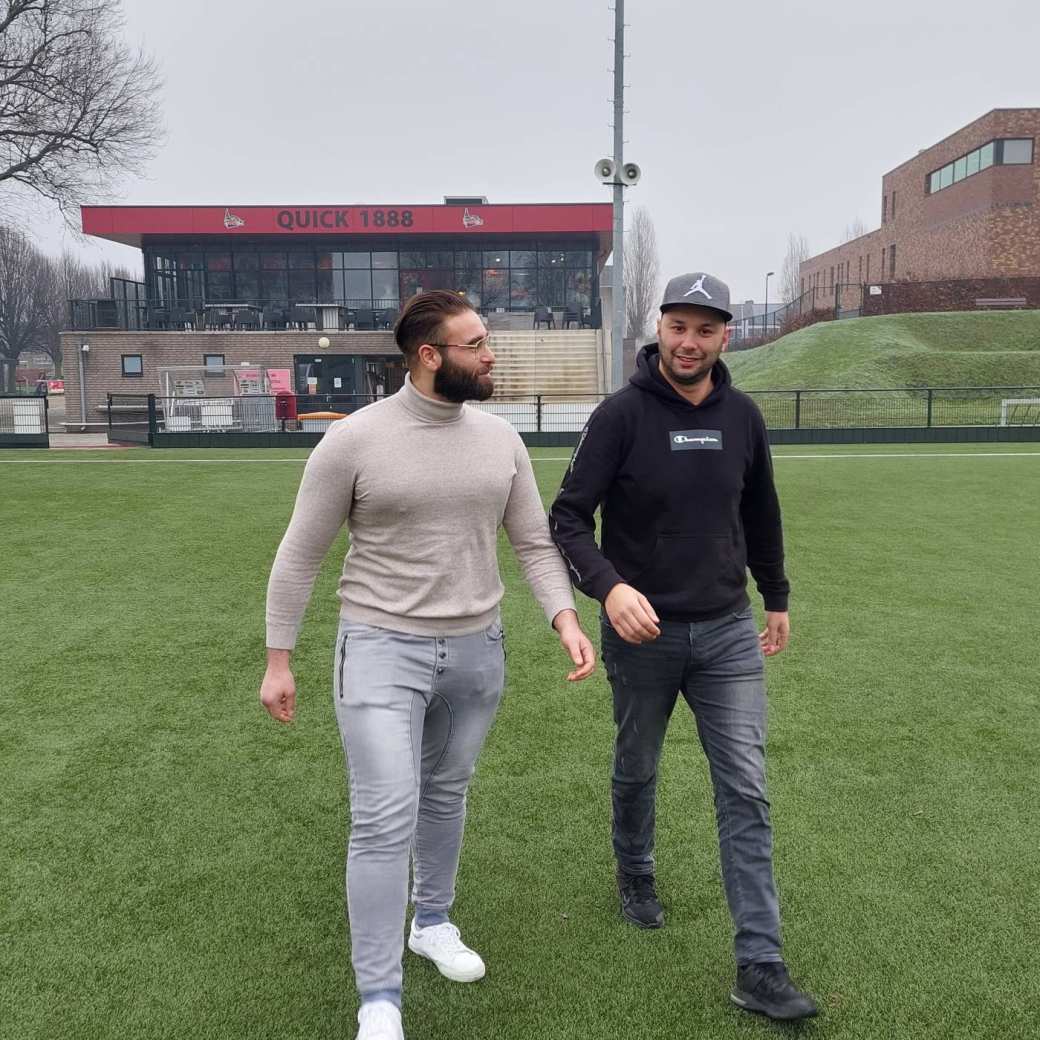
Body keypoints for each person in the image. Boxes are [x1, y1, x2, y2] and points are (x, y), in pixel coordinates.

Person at [261, 290, 595, 1040]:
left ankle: (432, 922)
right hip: (380, 648)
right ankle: (379, 995)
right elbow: (300, 554)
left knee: (446, 794)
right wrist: (278, 659)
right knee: (383, 817)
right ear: (429, 355)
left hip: (478, 651)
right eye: (476, 343)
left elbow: (535, 543)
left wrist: (564, 618)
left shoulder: (500, 439)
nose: (491, 353)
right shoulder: (353, 441)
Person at [548, 272, 817, 1021]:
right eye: (678, 327)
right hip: (645, 632)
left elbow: (761, 512)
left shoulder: (744, 416)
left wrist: (778, 595)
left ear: (724, 335)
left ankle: (760, 964)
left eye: (705, 329)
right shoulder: (621, 416)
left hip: (729, 630)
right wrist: (610, 588)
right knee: (638, 765)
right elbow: (566, 520)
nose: (689, 342)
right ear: (659, 329)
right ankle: (635, 871)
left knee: (746, 789)